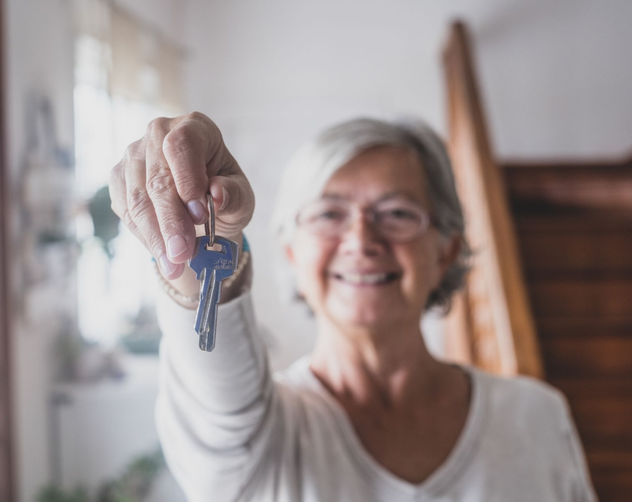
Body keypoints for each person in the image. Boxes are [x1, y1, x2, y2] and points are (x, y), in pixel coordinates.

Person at [109, 112, 597, 502]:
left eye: (397, 213)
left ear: (444, 250)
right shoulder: (257, 438)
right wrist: (208, 237)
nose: (361, 240)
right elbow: (215, 393)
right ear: (292, 251)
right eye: (328, 214)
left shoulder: (538, 416)